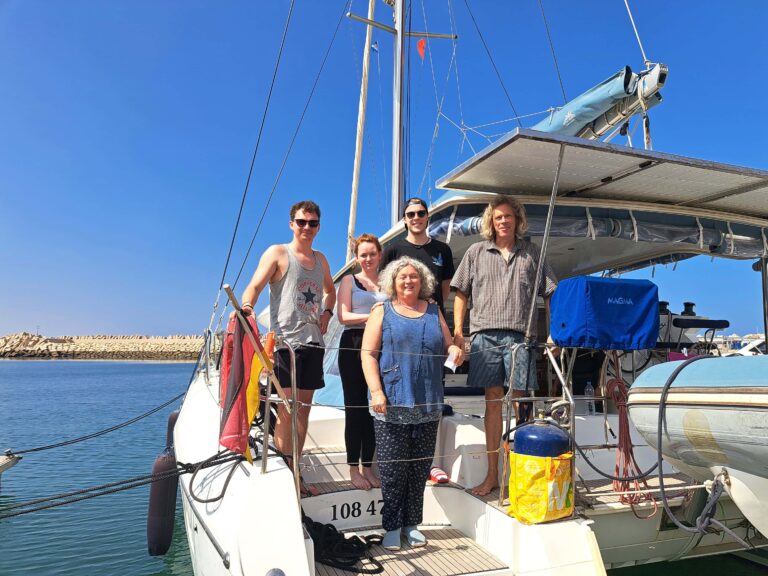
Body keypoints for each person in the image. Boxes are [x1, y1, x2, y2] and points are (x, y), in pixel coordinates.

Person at [451, 196, 557, 497]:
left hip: (521, 337)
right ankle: (492, 476)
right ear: (491, 221)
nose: (504, 221)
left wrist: (555, 333)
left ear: (517, 220)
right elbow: (461, 293)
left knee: (521, 402)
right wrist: (459, 331)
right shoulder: (475, 252)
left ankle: (517, 475)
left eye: (509, 216)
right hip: (484, 335)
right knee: (492, 401)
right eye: (498, 217)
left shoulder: (533, 253)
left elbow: (550, 293)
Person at [361, 256, 464, 550]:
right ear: (393, 281)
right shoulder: (382, 310)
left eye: (414, 277)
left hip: (428, 402)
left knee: (419, 469)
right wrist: (377, 392)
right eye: (403, 276)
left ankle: (411, 524)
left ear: (423, 282)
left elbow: (449, 344)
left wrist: (456, 348)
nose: (408, 281)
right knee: (393, 471)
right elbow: (368, 354)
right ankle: (392, 526)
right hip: (391, 401)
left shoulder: (433, 310)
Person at [240, 200, 335, 496]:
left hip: (313, 346)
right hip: (286, 346)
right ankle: (287, 476)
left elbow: (330, 291)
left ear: (319, 227)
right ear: (291, 224)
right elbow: (254, 286)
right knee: (287, 411)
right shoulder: (278, 253)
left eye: (313, 223)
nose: (307, 227)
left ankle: (296, 470)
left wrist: (327, 313)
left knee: (303, 412)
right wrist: (246, 307)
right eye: (302, 222)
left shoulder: (321, 260)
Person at [380, 197, 454, 483]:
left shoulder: (442, 250)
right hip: (401, 329)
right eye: (411, 214)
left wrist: (429, 311)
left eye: (421, 213)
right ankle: (397, 458)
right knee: (399, 389)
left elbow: (444, 288)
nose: (416, 217)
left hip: (431, 324)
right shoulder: (394, 250)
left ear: (427, 216)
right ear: (404, 218)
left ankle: (430, 461)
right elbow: (386, 286)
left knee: (431, 392)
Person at [336, 233, 387, 491]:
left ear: (379, 254)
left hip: (381, 347)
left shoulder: (388, 282)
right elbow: (343, 316)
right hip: (353, 345)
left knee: (376, 409)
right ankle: (353, 469)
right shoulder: (349, 280)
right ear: (357, 258)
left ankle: (368, 466)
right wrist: (374, 315)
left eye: (372, 253)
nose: (368, 258)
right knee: (355, 408)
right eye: (363, 254)